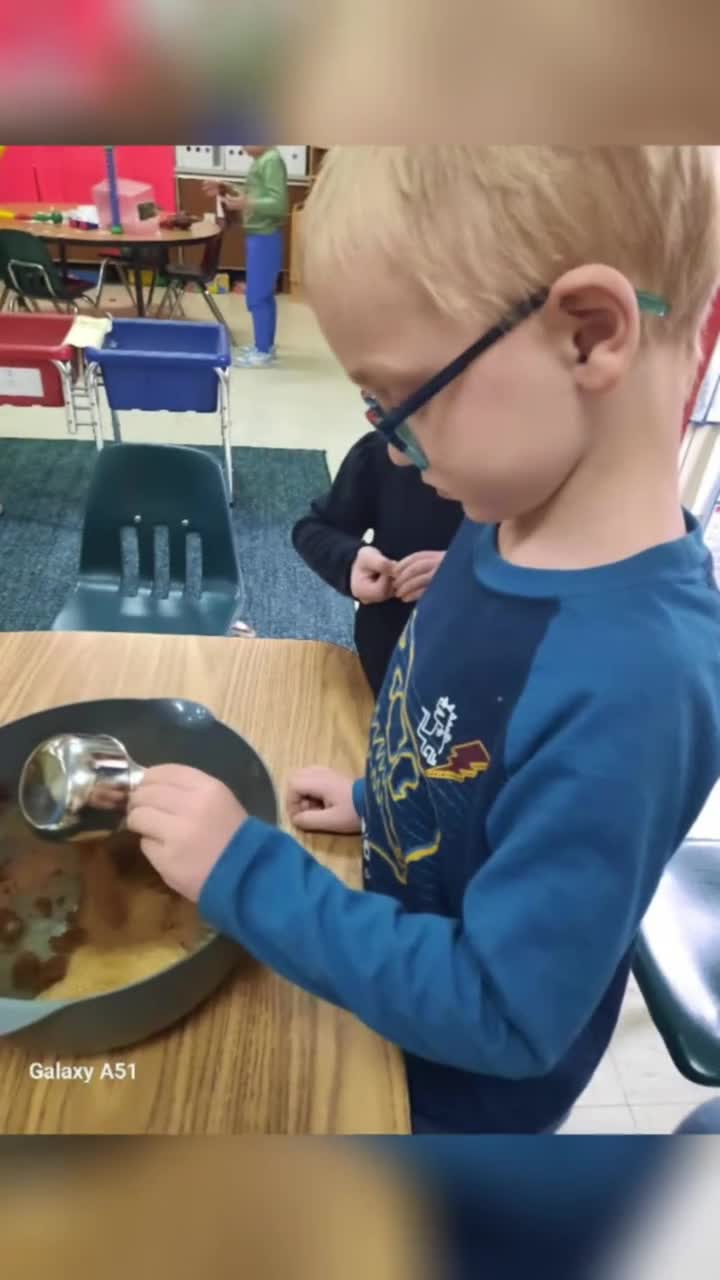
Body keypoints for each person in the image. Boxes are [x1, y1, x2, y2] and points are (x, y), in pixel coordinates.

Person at [127, 147, 720, 1134]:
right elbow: (470, 754)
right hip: (384, 984)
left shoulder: (639, 688)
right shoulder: (502, 521)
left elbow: (504, 1010)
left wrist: (245, 870)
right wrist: (381, 805)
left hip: (449, 1102)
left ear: (588, 336)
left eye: (402, 404)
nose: (393, 451)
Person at [292, 423, 464, 695]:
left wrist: (474, 571)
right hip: (384, 660)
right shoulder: (383, 452)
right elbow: (315, 528)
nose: (397, 457)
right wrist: (350, 560)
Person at [204, 145, 288, 368]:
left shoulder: (271, 160)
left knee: (257, 296)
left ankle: (263, 352)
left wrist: (246, 203)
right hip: (260, 236)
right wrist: (226, 187)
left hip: (265, 237)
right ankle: (264, 346)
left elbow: (279, 205)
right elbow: (253, 194)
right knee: (263, 296)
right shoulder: (262, 160)